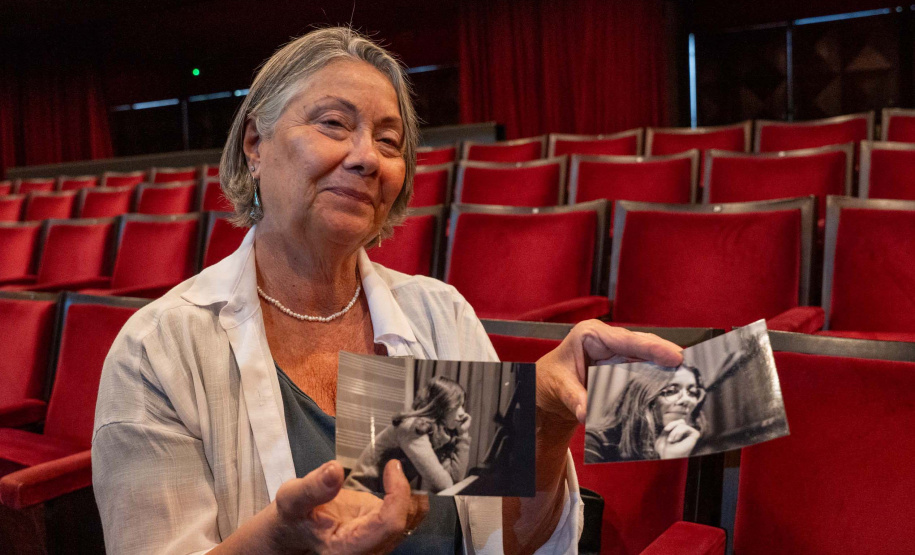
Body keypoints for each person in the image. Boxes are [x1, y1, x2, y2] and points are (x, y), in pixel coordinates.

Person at [92, 26, 684, 554]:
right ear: (254, 144)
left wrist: (549, 421)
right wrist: (279, 541)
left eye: (389, 141)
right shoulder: (158, 349)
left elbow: (512, 543)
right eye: (333, 124)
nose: (366, 158)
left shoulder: (441, 315)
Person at [346, 376, 472, 495]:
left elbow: (454, 481)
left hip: (380, 498)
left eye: (462, 406)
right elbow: (444, 485)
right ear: (441, 406)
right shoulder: (412, 428)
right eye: (457, 405)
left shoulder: (436, 432)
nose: (463, 413)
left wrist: (463, 434)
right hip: (359, 495)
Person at [585, 365, 707, 463]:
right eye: (671, 391)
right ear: (644, 397)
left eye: (692, 392)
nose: (687, 400)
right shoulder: (595, 442)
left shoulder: (693, 443)